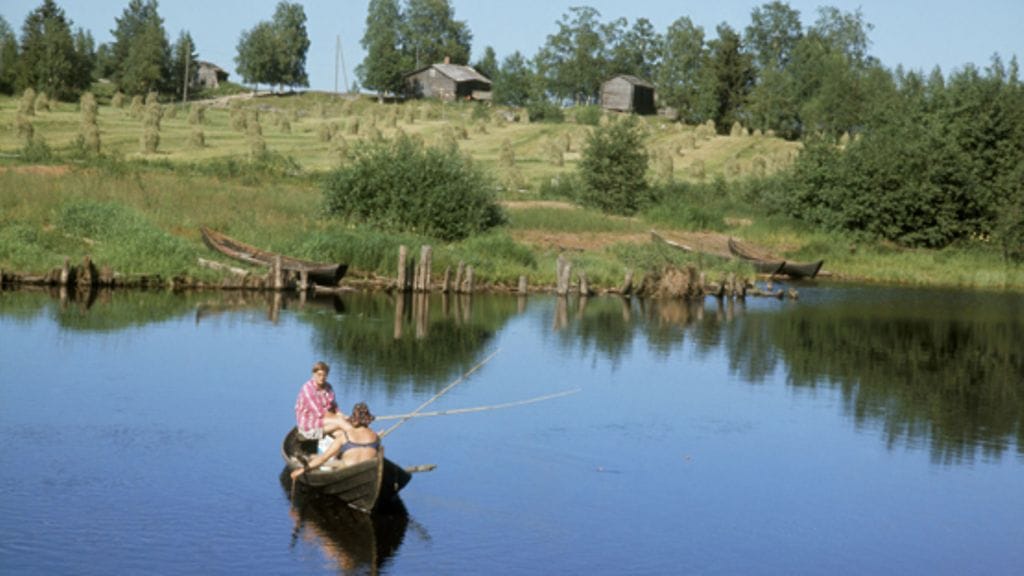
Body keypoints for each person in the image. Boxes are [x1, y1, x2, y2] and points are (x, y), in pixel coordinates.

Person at [292, 402, 380, 480]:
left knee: (328, 460)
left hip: (347, 471)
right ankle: (309, 457)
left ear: (354, 420)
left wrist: (302, 470)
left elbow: (323, 458)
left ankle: (308, 458)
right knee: (336, 459)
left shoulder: (345, 437)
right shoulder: (375, 437)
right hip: (367, 472)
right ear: (368, 420)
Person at [294, 361, 353, 441]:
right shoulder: (308, 390)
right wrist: (341, 418)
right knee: (341, 422)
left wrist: (343, 415)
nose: (322, 377)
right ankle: (358, 434)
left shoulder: (328, 387)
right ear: (313, 374)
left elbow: (334, 407)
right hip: (309, 428)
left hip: (325, 423)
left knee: (342, 434)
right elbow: (321, 413)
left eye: (324, 375)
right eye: (319, 375)